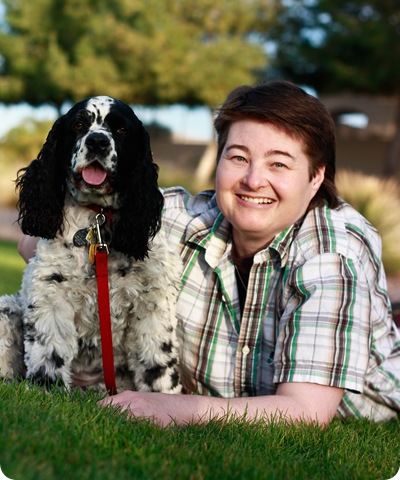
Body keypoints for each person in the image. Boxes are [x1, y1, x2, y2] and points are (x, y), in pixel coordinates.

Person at [18, 81, 400, 427]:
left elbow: (305, 411)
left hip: (361, 411)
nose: (253, 180)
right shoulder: (181, 219)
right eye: (238, 157)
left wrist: (171, 408)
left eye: (278, 163)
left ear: (316, 176)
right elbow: (33, 244)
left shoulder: (334, 253)